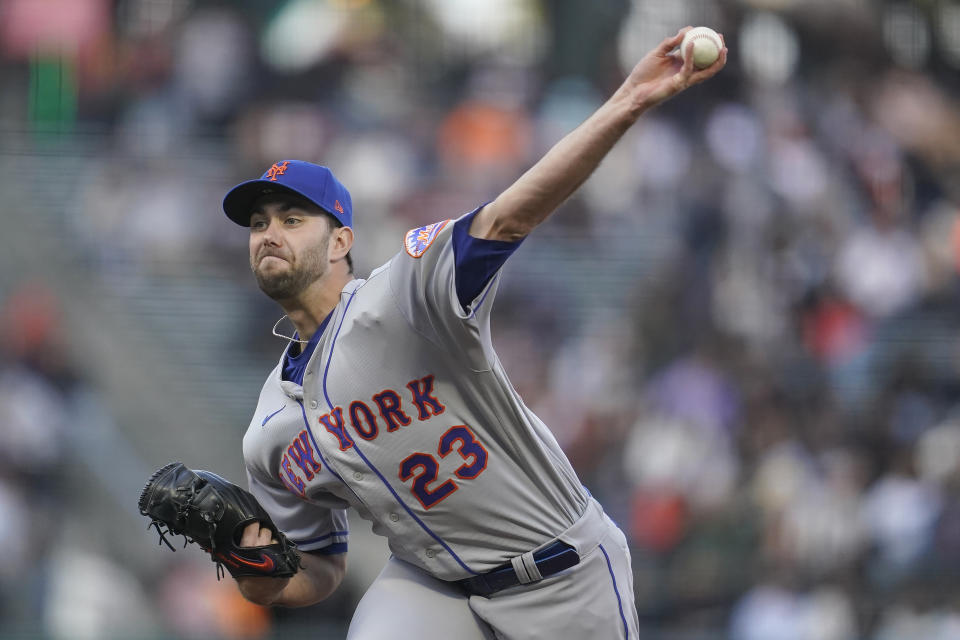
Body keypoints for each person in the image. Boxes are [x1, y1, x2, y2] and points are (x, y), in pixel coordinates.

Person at [222, 28, 726, 639]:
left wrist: (627, 102)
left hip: (559, 571)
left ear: (342, 241)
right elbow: (318, 569)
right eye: (258, 222)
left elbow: (511, 215)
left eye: (293, 218)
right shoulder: (270, 429)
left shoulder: (401, 297)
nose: (269, 233)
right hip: (433, 585)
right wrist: (247, 564)